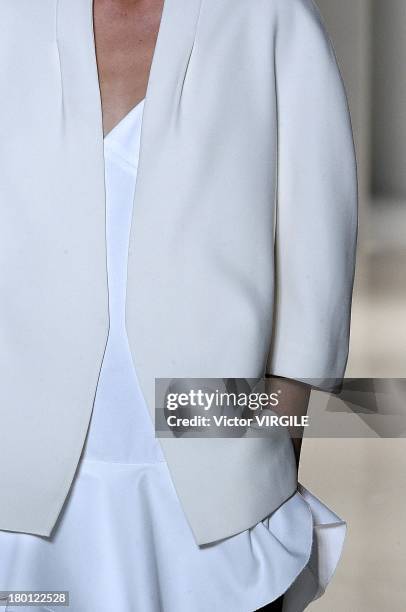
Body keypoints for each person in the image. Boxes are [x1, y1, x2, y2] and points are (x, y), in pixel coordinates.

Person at [0, 0, 357, 610]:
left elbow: (315, 241)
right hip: (19, 466)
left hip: (214, 463)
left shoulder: (267, 16)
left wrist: (268, 439)